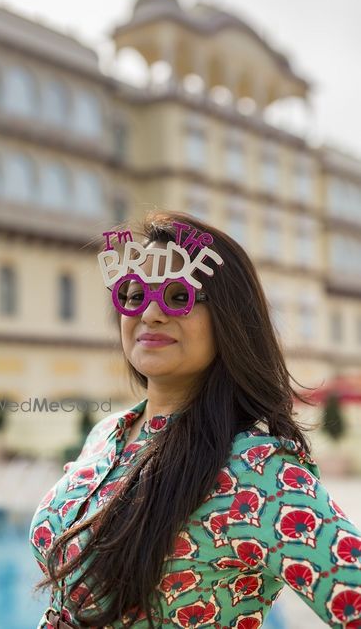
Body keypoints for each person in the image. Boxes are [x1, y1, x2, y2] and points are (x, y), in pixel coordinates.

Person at [29, 209, 361, 629]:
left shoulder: (257, 472)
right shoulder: (106, 434)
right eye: (133, 295)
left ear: (229, 320)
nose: (149, 313)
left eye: (178, 296)